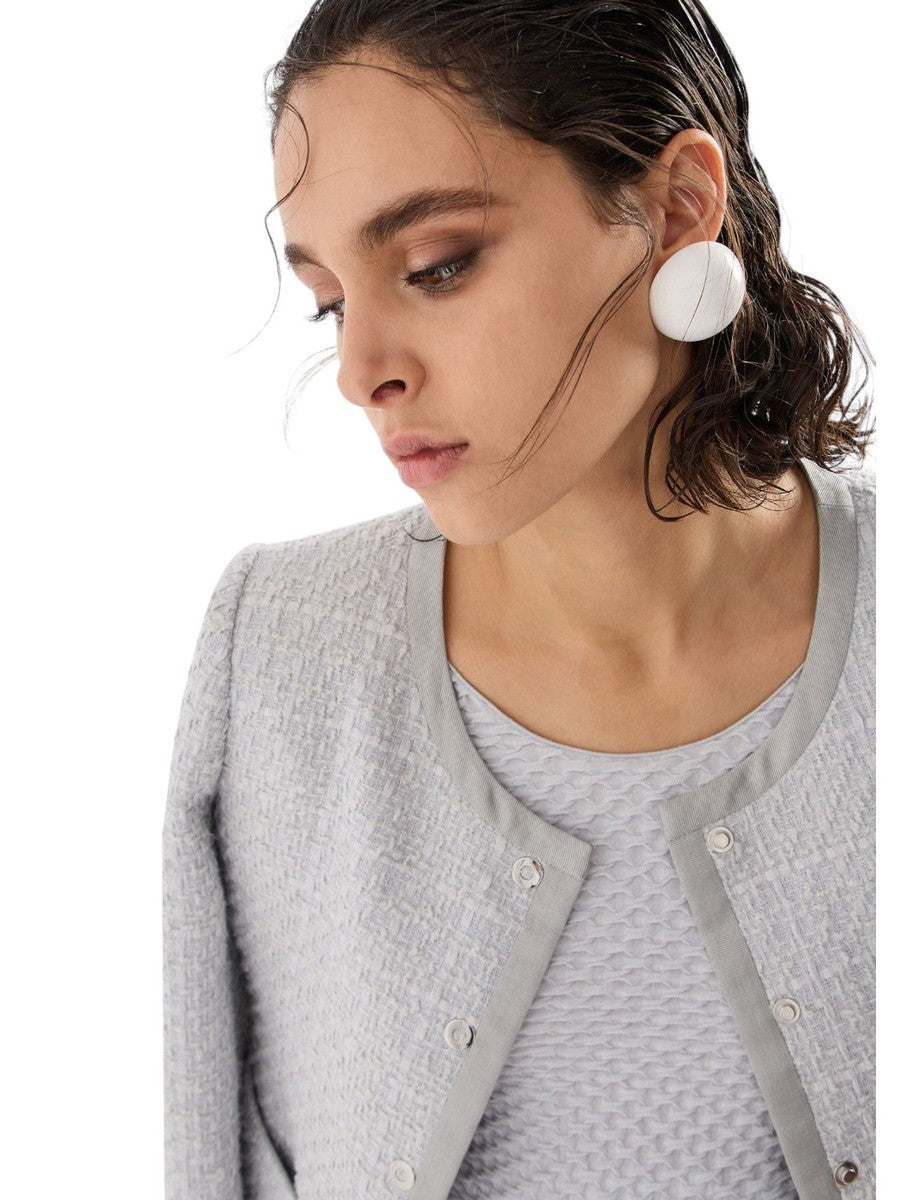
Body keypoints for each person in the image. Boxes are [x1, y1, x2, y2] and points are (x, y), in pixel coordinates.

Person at [162, 3, 875, 1198]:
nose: (360, 372)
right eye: (332, 301)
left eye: (437, 265)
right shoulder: (277, 653)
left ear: (678, 208)